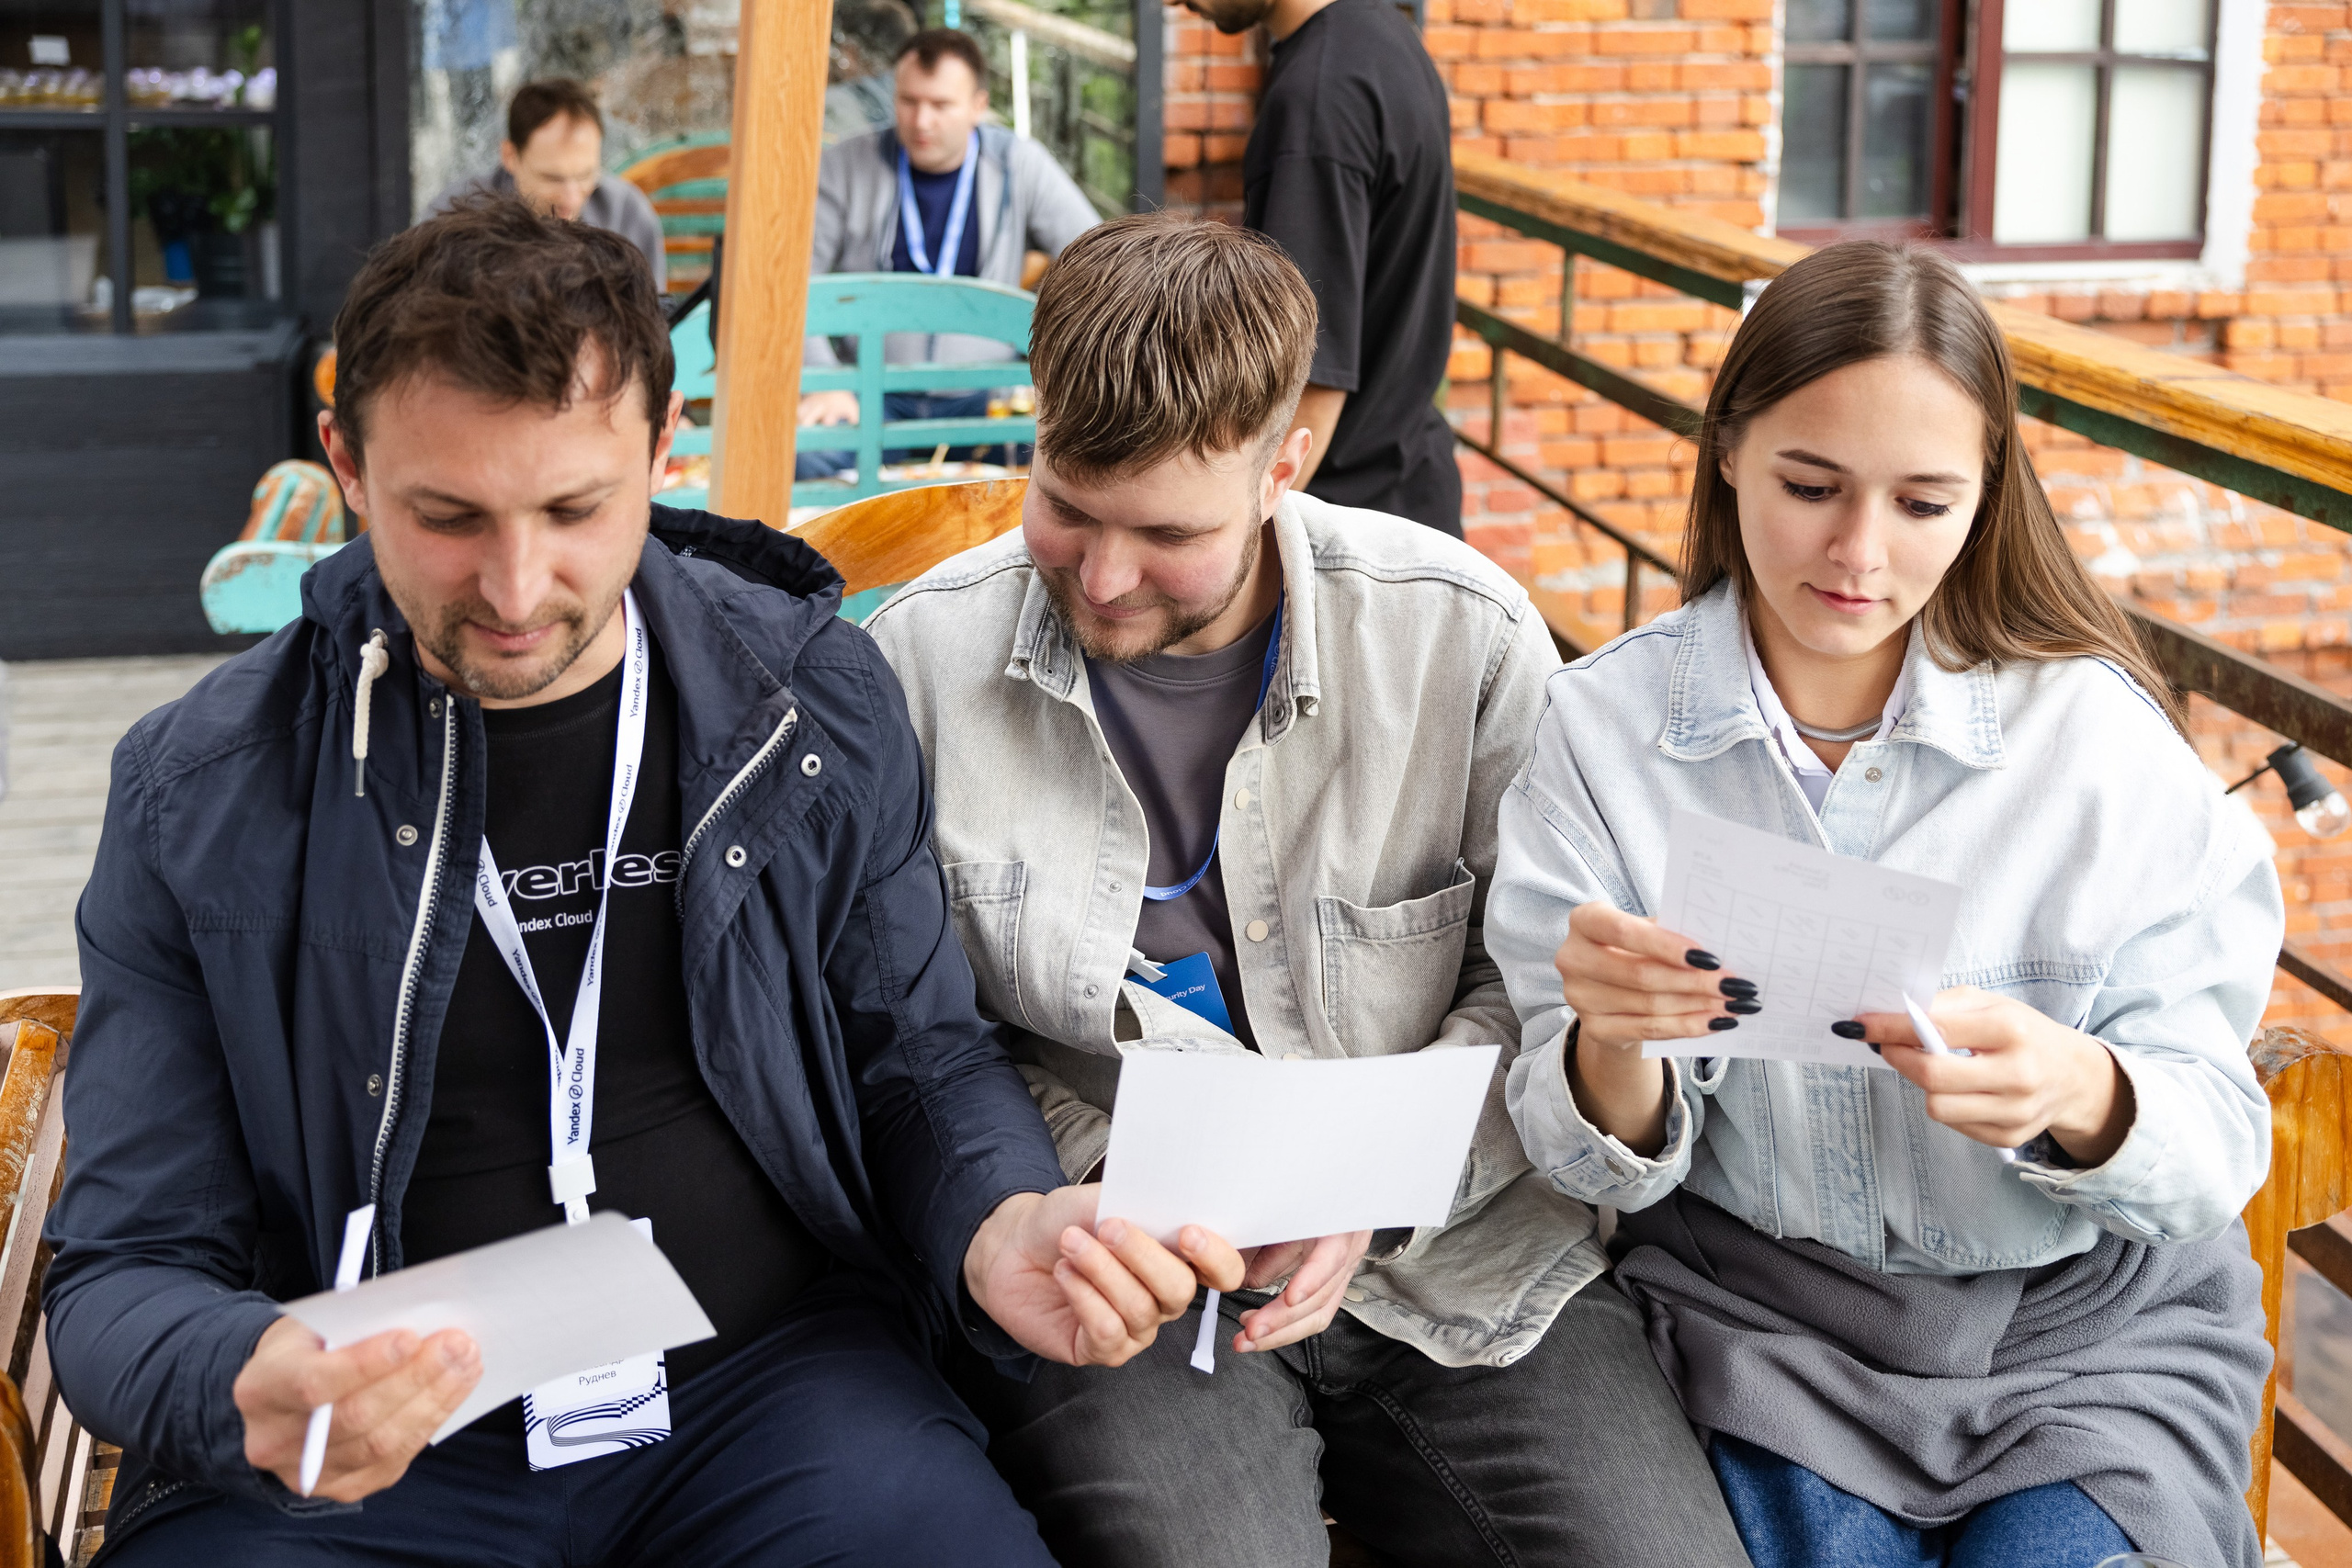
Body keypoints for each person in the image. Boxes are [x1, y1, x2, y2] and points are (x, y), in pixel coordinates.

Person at [43, 198, 1243, 1564]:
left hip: (770, 1390)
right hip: (362, 1449)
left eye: (574, 508)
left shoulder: (806, 700)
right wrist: (246, 1373)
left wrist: (1000, 1217)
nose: (515, 583)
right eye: (449, 514)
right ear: (349, 467)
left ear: (660, 454)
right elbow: (124, 1267)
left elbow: (916, 1059)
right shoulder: (199, 789)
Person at [866, 213, 1749, 1568]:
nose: (1102, 579)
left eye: (1166, 531)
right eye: (1067, 506)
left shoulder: (1463, 637)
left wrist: (1372, 1176)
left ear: (1288, 461)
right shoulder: (918, 665)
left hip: (1466, 1256)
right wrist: (1103, 1184)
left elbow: (1538, 989)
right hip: (1126, 1270)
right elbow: (922, 1038)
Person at [1488, 241, 2280, 1568]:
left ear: (1986, 497)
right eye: (1811, 485)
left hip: (2088, 1341)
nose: (1860, 553)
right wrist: (1608, 1042)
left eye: (1925, 502)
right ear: (1729, 447)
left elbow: (2214, 1151)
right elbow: (1581, 1164)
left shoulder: (2099, 744)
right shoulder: (1598, 734)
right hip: (1771, 1334)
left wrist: (2082, 1090)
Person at [1184, 0, 1462, 536]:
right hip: (1406, 486)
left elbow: (1309, 380)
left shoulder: (1317, 101)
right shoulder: (1380, 34)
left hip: (1346, 527)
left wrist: (1234, 541)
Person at [797, 28, 1099, 479]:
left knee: (1078, 465)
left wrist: (1053, 373)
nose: (921, 121)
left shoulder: (1020, 163)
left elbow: (1101, 261)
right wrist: (825, 382)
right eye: (909, 101)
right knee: (797, 460)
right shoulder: (845, 164)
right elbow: (797, 281)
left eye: (941, 105)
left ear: (978, 105)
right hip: (870, 391)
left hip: (987, 393)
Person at [426, 78, 667, 288]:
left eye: (585, 175)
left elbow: (652, 324)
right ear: (510, 156)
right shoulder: (454, 218)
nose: (572, 198)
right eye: (553, 178)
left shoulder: (627, 215)